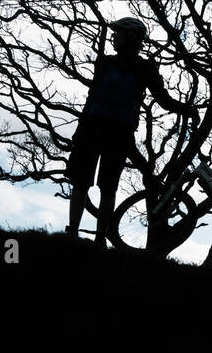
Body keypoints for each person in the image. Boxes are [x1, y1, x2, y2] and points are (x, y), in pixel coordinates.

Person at [66, 16, 187, 247]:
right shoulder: (106, 62)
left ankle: (99, 238)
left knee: (107, 187)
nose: (114, 37)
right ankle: (73, 232)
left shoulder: (145, 68)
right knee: (82, 182)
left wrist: (184, 109)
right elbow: (92, 96)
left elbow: (162, 98)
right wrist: (80, 128)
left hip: (117, 133)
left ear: (130, 37)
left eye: (118, 33)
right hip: (95, 129)